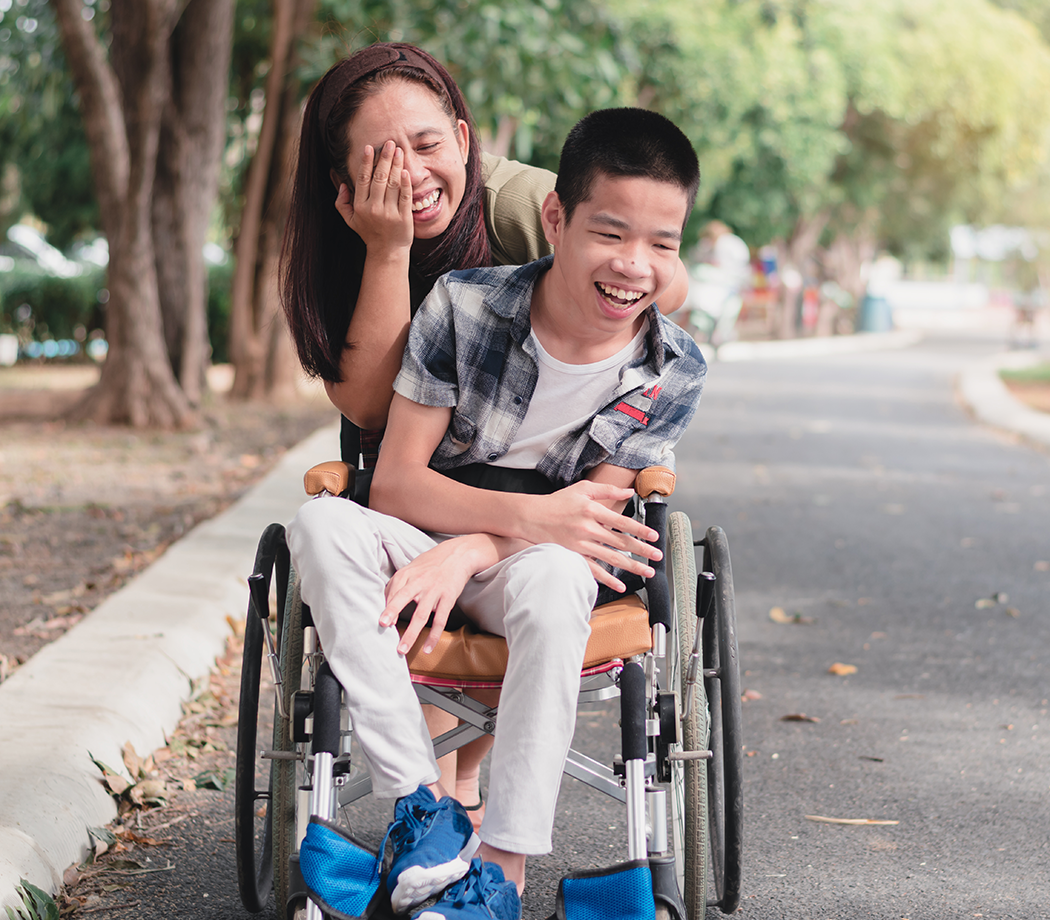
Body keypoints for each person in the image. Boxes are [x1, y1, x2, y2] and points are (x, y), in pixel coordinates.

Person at [287, 106, 706, 919]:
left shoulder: (671, 368)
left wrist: (476, 547)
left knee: (552, 573)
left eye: (663, 243)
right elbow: (397, 487)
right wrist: (480, 535)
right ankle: (423, 810)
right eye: (610, 233)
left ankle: (501, 874)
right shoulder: (464, 306)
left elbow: (593, 532)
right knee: (322, 524)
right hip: (416, 537)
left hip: (535, 570)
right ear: (556, 218)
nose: (634, 266)